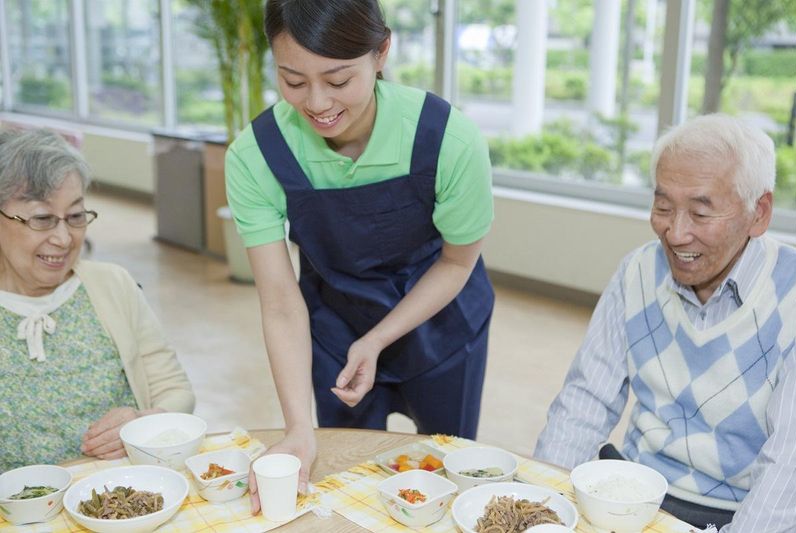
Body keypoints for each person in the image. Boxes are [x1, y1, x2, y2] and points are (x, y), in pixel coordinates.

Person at [225, 0, 494, 507]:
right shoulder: (255, 154)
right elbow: (280, 302)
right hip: (334, 325)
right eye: (293, 80)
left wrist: (377, 340)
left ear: (381, 53)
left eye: (338, 79)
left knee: (446, 478)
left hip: (443, 323)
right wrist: (298, 428)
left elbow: (457, 262)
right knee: (344, 477)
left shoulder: (447, 139)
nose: (318, 102)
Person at [534, 114, 796, 531]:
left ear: (758, 213)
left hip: (739, 512)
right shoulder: (638, 271)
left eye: (700, 213)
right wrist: (545, 506)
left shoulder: (794, 296)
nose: (675, 234)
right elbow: (585, 400)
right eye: (662, 207)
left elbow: (789, 466)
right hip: (632, 492)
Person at [0, 128, 195, 472]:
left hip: (123, 497)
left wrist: (141, 422)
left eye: (75, 216)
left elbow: (175, 389)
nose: (63, 238)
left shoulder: (112, 285)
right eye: (42, 218)